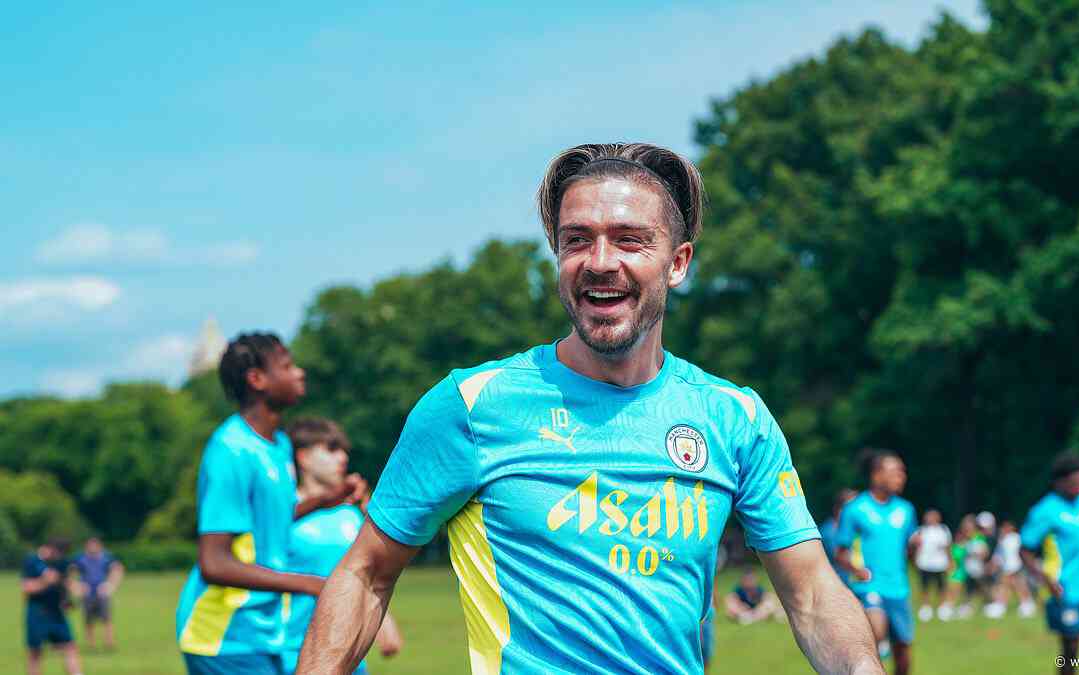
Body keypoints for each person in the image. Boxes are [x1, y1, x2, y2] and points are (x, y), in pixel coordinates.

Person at [298, 143, 882, 675]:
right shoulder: (472, 407)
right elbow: (367, 572)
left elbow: (808, 592)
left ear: (677, 263)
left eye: (630, 239)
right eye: (577, 239)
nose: (600, 261)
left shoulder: (735, 417)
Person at [175, 333, 364, 675]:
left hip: (263, 633)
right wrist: (311, 584)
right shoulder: (231, 449)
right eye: (288, 366)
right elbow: (214, 562)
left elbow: (265, 522)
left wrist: (323, 501)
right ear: (257, 379)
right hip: (224, 636)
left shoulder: (276, 445)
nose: (300, 372)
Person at [282, 418, 403, 674]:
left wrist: (385, 623)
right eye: (331, 449)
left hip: (346, 654)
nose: (343, 457)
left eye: (344, 450)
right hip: (286, 653)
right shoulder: (283, 509)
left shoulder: (351, 514)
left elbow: (366, 573)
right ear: (303, 457)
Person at [1020, 452, 1079, 675]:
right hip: (1063, 588)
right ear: (1059, 482)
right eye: (1075, 482)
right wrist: (1043, 578)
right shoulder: (1045, 510)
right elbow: (1025, 550)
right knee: (1071, 647)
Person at [835, 449, 918, 675]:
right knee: (876, 635)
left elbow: (910, 552)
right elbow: (840, 552)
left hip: (899, 588)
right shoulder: (855, 509)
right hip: (869, 586)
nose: (901, 476)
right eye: (895, 472)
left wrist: (915, 547)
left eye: (903, 472)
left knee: (903, 656)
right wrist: (857, 571)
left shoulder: (906, 510)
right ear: (877, 475)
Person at [22, 537, 83, 675]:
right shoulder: (32, 561)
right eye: (58, 553)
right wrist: (46, 581)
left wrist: (68, 600)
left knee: (70, 647)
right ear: (50, 548)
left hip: (57, 612)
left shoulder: (60, 562)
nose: (60, 557)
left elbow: (65, 584)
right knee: (35, 653)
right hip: (37, 613)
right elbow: (27, 588)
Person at [71, 536, 124, 649]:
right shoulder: (80, 558)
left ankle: (109, 643)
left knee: (107, 618)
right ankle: (91, 644)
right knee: (88, 620)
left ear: (100, 546)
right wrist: (77, 586)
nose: (93, 547)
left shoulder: (107, 557)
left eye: (95, 545)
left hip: (102, 593)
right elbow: (71, 572)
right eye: (90, 545)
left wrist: (110, 585)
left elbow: (118, 569)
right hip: (87, 593)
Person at [983, 521, 1035, 618]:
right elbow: (998, 554)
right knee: (1005, 586)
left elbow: (1023, 552)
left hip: (1016, 566)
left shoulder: (1016, 538)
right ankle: (1001, 605)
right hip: (1006, 567)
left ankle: (1026, 605)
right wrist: (992, 565)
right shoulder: (1002, 539)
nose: (1003, 529)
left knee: (1019, 586)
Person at [913, 509, 952, 622]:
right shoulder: (921, 530)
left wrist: (950, 561)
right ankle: (926, 608)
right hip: (924, 563)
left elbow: (947, 547)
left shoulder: (943, 530)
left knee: (941, 586)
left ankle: (942, 608)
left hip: (940, 564)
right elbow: (916, 547)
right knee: (925, 586)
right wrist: (915, 559)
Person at [820, 489, 858, 588]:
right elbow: (840, 558)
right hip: (837, 585)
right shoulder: (829, 532)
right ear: (838, 509)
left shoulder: (855, 531)